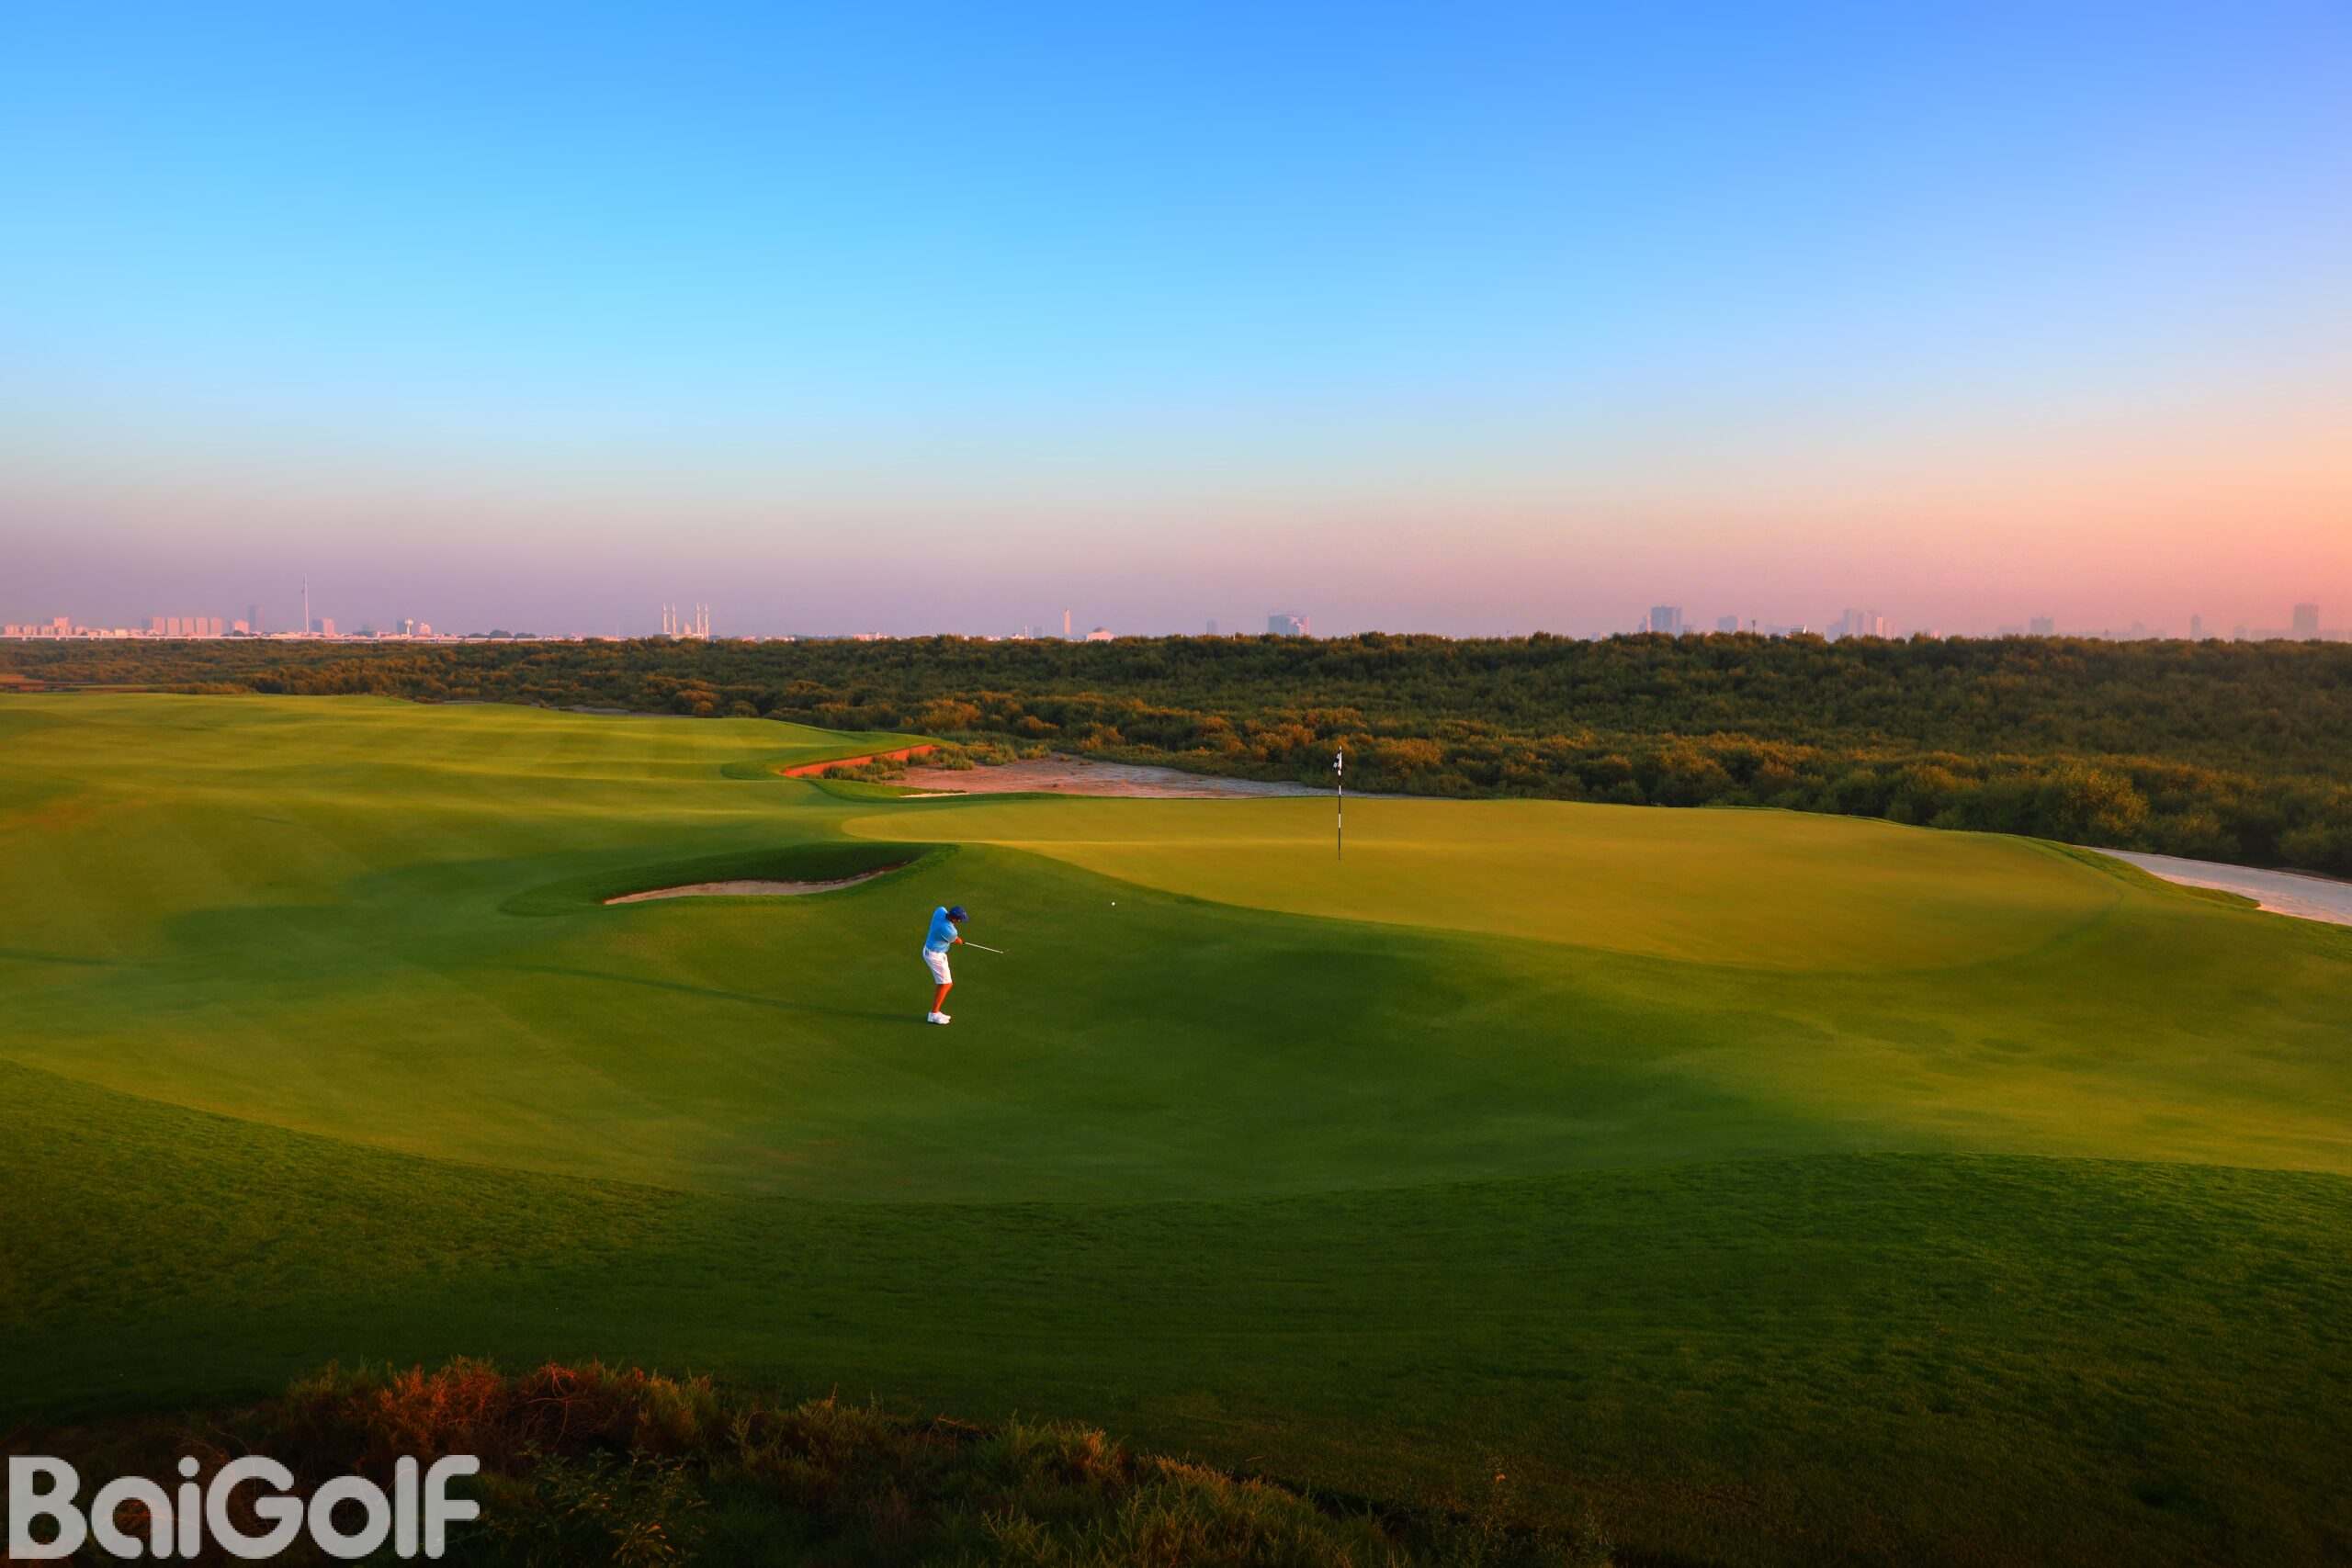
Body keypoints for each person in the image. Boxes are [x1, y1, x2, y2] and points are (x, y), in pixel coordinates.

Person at [922, 904, 967, 1024]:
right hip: (935, 956)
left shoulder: (940, 911)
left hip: (930, 948)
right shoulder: (950, 931)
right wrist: (959, 941)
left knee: (944, 983)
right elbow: (955, 939)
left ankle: (935, 1013)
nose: (960, 922)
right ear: (954, 919)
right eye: (959, 920)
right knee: (946, 984)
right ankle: (934, 1014)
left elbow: (942, 911)